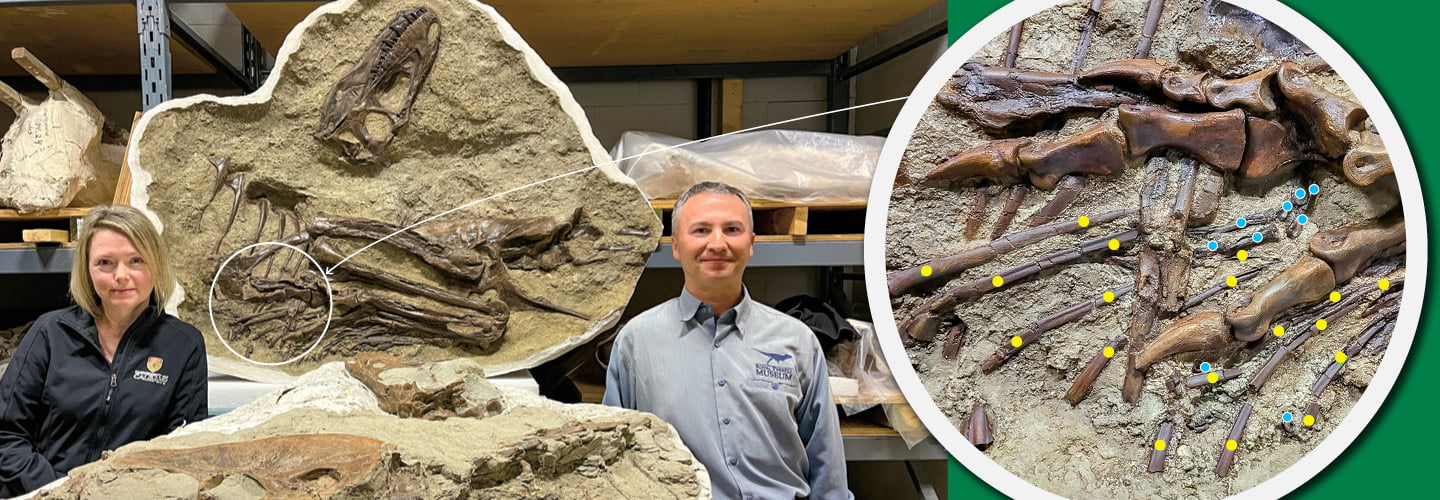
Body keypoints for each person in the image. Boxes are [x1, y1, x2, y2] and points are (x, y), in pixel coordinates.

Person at [603, 182, 851, 500]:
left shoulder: (796, 341)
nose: (717, 243)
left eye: (732, 229)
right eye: (701, 230)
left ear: (750, 243)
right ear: (676, 245)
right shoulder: (636, 342)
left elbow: (826, 464)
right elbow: (615, 461)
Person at [0, 205, 208, 496]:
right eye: (105, 263)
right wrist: (61, 490)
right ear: (87, 268)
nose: (121, 275)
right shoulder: (50, 333)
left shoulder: (184, 345)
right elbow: (7, 434)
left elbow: (182, 452)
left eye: (136, 261)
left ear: (156, 264)